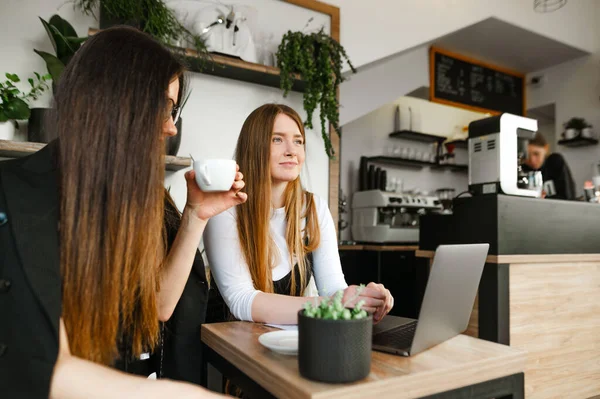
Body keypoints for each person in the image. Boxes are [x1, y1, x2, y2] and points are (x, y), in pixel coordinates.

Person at [0, 27, 246, 398]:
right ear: (114, 101)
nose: (170, 127)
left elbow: (159, 307)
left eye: (173, 111)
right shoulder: (16, 197)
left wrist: (196, 213)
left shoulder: (138, 199)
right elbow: (49, 368)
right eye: (164, 106)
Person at [204, 104, 393, 325]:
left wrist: (361, 299)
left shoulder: (314, 209)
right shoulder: (225, 208)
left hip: (285, 343)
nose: (291, 150)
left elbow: (332, 288)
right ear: (253, 147)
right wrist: (333, 303)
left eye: (298, 141)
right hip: (228, 346)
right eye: (277, 139)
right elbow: (241, 301)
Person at [524, 132, 576, 200]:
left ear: (546, 148)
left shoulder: (555, 162)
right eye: (527, 156)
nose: (532, 160)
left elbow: (568, 196)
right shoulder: (523, 169)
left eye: (536, 154)